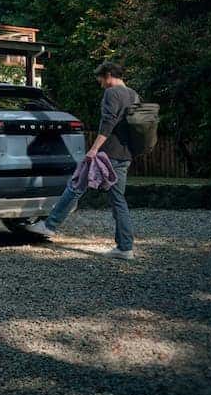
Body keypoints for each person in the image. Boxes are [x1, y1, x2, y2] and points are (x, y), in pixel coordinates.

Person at [27, 62, 139, 259]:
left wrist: (94, 149)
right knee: (118, 200)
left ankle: (49, 225)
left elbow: (108, 122)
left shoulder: (112, 93)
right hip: (125, 155)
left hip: (106, 154)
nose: (100, 83)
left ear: (109, 75)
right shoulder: (134, 94)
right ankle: (125, 247)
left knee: (76, 185)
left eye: (101, 79)